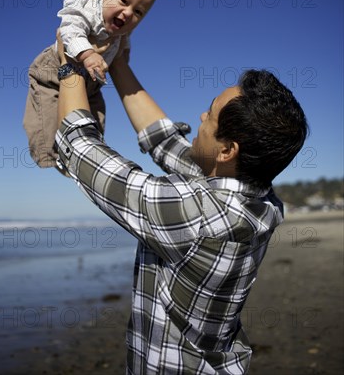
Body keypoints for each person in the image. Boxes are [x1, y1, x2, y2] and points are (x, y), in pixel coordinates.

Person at [55, 31, 308, 374]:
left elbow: (82, 152)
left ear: (227, 150)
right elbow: (165, 140)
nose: (201, 117)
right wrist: (118, 64)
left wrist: (70, 69)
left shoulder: (199, 216)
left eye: (211, 115)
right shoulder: (260, 199)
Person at [23, 0, 157, 171]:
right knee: (47, 116)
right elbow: (68, 29)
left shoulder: (121, 30)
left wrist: (124, 55)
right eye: (123, 1)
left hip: (91, 83)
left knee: (96, 118)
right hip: (53, 71)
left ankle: (88, 155)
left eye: (138, 12)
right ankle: (49, 155)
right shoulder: (88, 8)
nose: (129, 13)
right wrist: (88, 54)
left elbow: (124, 42)